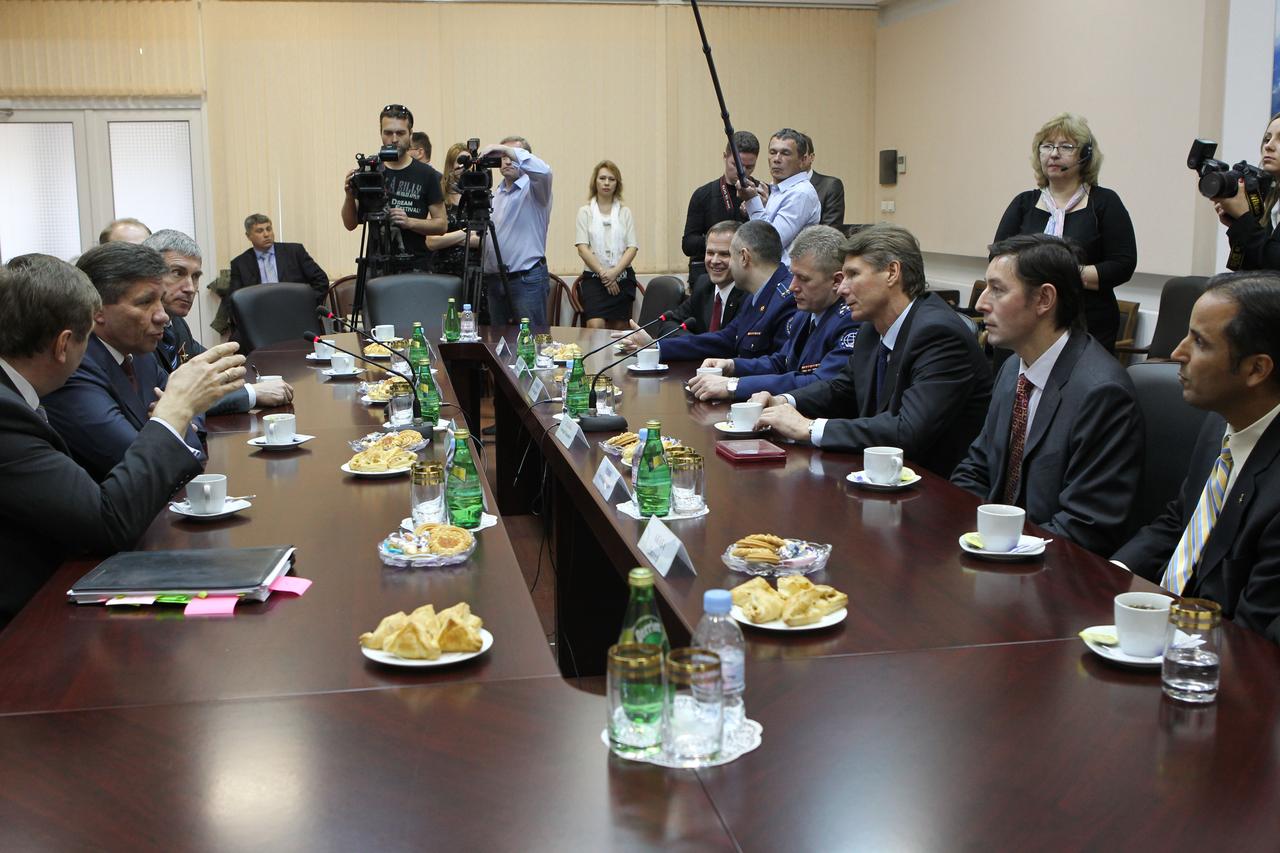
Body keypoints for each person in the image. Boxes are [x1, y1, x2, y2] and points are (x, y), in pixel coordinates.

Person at [0, 254, 244, 625]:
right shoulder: (7, 415)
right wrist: (171, 414)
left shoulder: (16, 396)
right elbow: (107, 522)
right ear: (65, 344)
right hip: (26, 621)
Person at [950, 234, 1143, 556]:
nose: (982, 303)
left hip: (1053, 568)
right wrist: (952, 522)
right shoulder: (1014, 367)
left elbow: (1085, 526)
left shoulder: (1102, 393)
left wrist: (993, 550)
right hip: (994, 550)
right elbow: (978, 465)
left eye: (997, 289)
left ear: (1043, 300)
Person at [1114, 272, 1280, 644]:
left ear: (1257, 369)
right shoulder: (1218, 422)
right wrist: (1112, 574)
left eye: (1200, 342)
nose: (1177, 353)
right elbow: (1182, 520)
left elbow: (1255, 640)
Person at [753, 224, 992, 476]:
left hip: (936, 488)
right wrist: (783, 401)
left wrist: (809, 428)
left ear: (892, 272)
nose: (842, 288)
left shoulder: (939, 333)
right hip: (881, 476)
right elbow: (841, 388)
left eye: (853, 274)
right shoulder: (871, 327)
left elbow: (907, 431)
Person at [43, 243, 206, 481]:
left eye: (161, 300)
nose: (162, 315)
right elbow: (144, 465)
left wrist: (173, 417)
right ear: (97, 310)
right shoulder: (73, 367)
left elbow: (187, 402)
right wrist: (176, 419)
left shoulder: (139, 351)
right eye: (145, 302)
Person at [993, 112, 1137, 353]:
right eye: (1047, 146)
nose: (1054, 153)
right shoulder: (1023, 203)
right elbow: (997, 258)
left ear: (1085, 156)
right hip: (1025, 319)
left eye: (1066, 146)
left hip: (1088, 322)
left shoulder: (1104, 202)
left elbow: (1123, 264)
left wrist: (1066, 274)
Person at [688, 225, 857, 402]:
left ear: (836, 281)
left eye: (803, 278)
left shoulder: (849, 320)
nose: (792, 287)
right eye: (793, 275)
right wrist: (732, 366)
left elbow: (819, 383)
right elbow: (781, 362)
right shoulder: (805, 314)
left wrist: (733, 385)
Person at [144, 230, 293, 414]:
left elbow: (211, 364)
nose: (190, 288)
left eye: (196, 276)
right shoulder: (138, 333)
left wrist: (253, 377)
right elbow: (170, 401)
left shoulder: (176, 323)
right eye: (177, 273)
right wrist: (251, 393)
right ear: (148, 274)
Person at [614, 220, 795, 362]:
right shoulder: (757, 297)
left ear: (744, 257)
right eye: (711, 253)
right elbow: (723, 339)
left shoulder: (785, 299)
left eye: (728, 255)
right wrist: (656, 346)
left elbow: (780, 365)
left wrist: (731, 376)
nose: (718, 261)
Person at [341, 104, 446, 273]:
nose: (394, 139)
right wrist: (348, 195)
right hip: (376, 266)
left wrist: (409, 222)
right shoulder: (369, 171)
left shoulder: (427, 174)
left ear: (410, 134)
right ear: (381, 133)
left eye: (401, 133)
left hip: (415, 267)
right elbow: (350, 224)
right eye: (388, 133)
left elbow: (441, 224)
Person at [481, 136, 554, 326]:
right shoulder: (495, 194)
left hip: (526, 279)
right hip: (495, 281)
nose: (506, 160)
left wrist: (499, 148)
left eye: (511, 155)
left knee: (531, 342)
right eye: (503, 156)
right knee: (499, 344)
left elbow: (545, 171)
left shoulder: (536, 189)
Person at [682, 131, 758, 283]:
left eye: (749, 167)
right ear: (725, 156)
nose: (742, 172)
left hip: (748, 277)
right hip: (711, 276)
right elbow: (688, 244)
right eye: (736, 165)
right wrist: (720, 243)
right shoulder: (703, 194)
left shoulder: (761, 194)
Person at [737, 128, 821, 267]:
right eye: (772, 152)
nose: (776, 159)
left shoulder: (800, 193)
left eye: (785, 153)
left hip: (786, 280)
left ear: (803, 160)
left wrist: (752, 201)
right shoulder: (778, 189)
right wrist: (760, 207)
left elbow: (768, 244)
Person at [575, 160, 640, 331]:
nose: (606, 183)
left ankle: (617, 359)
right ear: (594, 181)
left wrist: (615, 273)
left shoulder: (625, 212)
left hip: (622, 277)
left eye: (611, 179)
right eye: (602, 178)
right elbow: (582, 248)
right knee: (595, 325)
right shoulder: (585, 211)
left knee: (618, 328)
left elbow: (632, 247)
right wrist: (605, 275)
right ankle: (595, 359)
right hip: (595, 279)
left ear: (617, 184)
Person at [1212, 111, 1280, 271]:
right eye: (1267, 138)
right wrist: (1237, 224)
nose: (1268, 145)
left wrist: (1244, 219)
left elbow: (1275, 266)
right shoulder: (1271, 201)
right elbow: (1247, 269)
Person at [656, 220, 747, 336]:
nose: (714, 261)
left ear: (743, 257)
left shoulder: (749, 293)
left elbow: (729, 343)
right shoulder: (704, 284)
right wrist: (695, 345)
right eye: (710, 253)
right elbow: (669, 324)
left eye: (724, 254)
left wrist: (696, 345)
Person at [803, 136, 846, 229]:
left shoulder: (830, 186)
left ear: (811, 157)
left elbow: (828, 232)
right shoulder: (776, 187)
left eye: (801, 154)